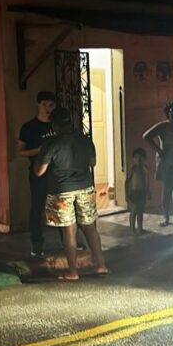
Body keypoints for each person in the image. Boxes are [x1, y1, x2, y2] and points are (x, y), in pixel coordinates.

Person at [34, 107, 108, 280]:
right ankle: (101, 265)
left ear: (54, 125)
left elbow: (39, 171)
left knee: (69, 231)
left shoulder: (51, 144)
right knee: (90, 227)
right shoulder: (85, 140)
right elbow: (93, 162)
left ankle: (73, 271)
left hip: (61, 190)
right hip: (85, 187)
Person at [18, 91, 57, 257]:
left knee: (62, 206)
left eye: (51, 105)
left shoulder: (57, 125)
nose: (47, 108)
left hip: (57, 173)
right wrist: (38, 150)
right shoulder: (29, 127)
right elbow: (20, 151)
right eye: (44, 105)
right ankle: (37, 244)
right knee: (37, 207)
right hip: (38, 173)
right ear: (38, 105)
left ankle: (69, 240)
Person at [126, 147, 151, 234]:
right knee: (134, 210)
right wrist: (127, 194)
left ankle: (140, 228)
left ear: (144, 158)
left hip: (142, 192)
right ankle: (132, 228)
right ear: (133, 159)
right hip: (135, 192)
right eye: (136, 157)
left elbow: (147, 181)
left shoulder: (145, 169)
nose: (139, 159)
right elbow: (127, 182)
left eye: (141, 157)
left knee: (141, 211)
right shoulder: (133, 169)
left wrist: (148, 192)